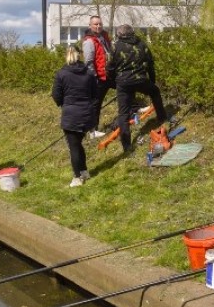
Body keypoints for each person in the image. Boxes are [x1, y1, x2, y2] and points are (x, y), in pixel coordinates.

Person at [107, 24, 169, 153]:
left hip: (123, 82)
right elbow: (150, 64)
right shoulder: (142, 44)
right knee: (155, 92)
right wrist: (152, 81)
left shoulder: (115, 46)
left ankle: (127, 146)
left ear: (119, 35)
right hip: (140, 79)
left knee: (123, 113)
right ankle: (162, 118)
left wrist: (115, 81)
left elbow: (110, 68)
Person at [52, 44, 97, 187]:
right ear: (80, 54)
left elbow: (56, 95)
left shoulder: (61, 74)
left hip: (70, 114)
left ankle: (77, 177)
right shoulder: (88, 73)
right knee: (78, 143)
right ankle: (84, 171)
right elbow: (95, 94)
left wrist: (64, 104)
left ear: (67, 55)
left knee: (74, 146)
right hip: (86, 113)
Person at [82, 15, 114, 138]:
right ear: (90, 25)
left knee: (126, 85)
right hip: (98, 77)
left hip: (109, 74)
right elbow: (88, 62)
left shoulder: (104, 36)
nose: (98, 26)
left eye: (100, 24)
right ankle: (93, 131)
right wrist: (94, 77)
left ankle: (134, 109)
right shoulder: (89, 41)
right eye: (95, 24)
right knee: (96, 103)